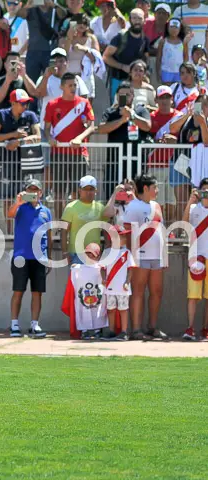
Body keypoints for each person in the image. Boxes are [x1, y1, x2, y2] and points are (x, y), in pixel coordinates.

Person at [122, 174, 169, 340]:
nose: (157, 190)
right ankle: (136, 330)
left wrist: (164, 256)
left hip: (157, 257)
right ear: (145, 188)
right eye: (155, 187)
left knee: (157, 291)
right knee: (138, 292)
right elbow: (128, 233)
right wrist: (132, 257)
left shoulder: (157, 206)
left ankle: (152, 327)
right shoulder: (133, 207)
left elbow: (161, 231)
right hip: (139, 257)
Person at [43, 72, 95, 219]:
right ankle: (60, 223)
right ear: (62, 87)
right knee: (59, 192)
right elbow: (47, 128)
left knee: (76, 192)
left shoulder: (84, 103)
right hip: (59, 153)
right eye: (70, 85)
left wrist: (79, 138)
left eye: (75, 85)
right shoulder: (52, 104)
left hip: (78, 153)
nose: (73, 88)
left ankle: (74, 222)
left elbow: (92, 126)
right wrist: (50, 138)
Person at [0, 89, 41, 235]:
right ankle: (9, 232)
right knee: (7, 198)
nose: (25, 106)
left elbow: (38, 136)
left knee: (29, 196)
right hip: (7, 163)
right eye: (22, 103)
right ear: (13, 103)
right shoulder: (2, 115)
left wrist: (18, 142)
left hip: (27, 164)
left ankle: (27, 230)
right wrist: (13, 135)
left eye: (27, 103)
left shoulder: (30, 115)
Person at [7, 178, 51, 338]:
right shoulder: (20, 207)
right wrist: (17, 202)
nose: (33, 193)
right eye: (30, 190)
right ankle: (14, 324)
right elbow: (9, 214)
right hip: (21, 256)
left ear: (41, 192)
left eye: (36, 190)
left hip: (39, 257)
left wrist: (49, 257)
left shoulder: (46, 211)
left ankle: (34, 325)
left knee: (37, 292)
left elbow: (49, 234)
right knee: (18, 290)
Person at [97, 81, 151, 197]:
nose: (125, 98)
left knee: (138, 195)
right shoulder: (110, 112)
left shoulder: (141, 110)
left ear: (133, 95)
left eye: (128, 95)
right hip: (115, 162)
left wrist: (132, 116)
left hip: (137, 162)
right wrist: (122, 120)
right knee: (113, 195)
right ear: (117, 96)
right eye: (122, 95)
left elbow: (147, 126)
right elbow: (101, 129)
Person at [147, 85, 188, 222]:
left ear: (172, 99)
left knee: (172, 203)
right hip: (156, 164)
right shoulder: (151, 117)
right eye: (161, 98)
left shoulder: (179, 116)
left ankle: (170, 230)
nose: (164, 100)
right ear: (156, 100)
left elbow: (185, 138)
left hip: (175, 165)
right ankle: (159, 229)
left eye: (167, 97)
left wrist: (175, 141)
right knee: (158, 203)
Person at [31, 48, 90, 134]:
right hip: (49, 131)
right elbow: (39, 94)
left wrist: (83, 118)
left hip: (72, 129)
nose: (58, 64)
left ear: (67, 63)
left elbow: (85, 101)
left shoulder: (77, 79)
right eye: (54, 62)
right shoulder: (43, 79)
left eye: (61, 61)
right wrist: (46, 76)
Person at [103, 8, 150, 104]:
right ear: (130, 20)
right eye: (134, 18)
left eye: (139, 18)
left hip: (136, 83)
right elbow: (106, 57)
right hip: (118, 80)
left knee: (134, 106)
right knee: (120, 106)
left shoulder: (145, 40)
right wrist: (122, 66)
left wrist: (145, 74)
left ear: (144, 20)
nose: (137, 21)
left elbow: (145, 59)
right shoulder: (120, 37)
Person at [61, 175, 108, 265]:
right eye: (85, 189)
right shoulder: (71, 207)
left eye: (91, 189)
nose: (88, 192)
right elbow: (63, 231)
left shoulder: (100, 207)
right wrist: (64, 252)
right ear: (79, 190)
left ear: (96, 191)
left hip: (95, 254)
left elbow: (107, 229)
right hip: (76, 254)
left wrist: (107, 248)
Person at [14, 0, 65, 82]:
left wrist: (53, 5)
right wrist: (28, 5)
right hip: (33, 52)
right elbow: (20, 14)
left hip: (51, 52)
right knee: (31, 80)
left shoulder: (54, 10)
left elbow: (63, 14)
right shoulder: (31, 10)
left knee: (52, 79)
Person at [99, 225, 135, 341]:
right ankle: (111, 330)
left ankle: (124, 332)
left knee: (123, 309)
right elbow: (102, 268)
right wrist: (103, 279)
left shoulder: (127, 253)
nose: (124, 238)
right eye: (122, 236)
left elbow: (130, 269)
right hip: (110, 286)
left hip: (122, 287)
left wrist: (127, 282)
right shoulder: (107, 252)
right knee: (111, 309)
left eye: (124, 236)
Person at [183, 179, 208, 340]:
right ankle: (190, 328)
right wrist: (189, 202)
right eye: (204, 190)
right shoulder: (194, 208)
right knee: (193, 295)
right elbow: (184, 223)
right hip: (196, 257)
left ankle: (206, 329)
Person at [62, 14, 101, 101]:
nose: (82, 25)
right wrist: (69, 38)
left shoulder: (91, 38)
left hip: (86, 77)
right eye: (79, 22)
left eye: (85, 23)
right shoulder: (64, 39)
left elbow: (96, 60)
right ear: (73, 23)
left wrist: (84, 49)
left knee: (87, 104)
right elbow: (63, 56)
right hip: (69, 77)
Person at [156, 19, 192, 86]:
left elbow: (185, 57)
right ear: (168, 28)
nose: (174, 29)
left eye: (176, 27)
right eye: (171, 27)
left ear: (180, 29)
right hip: (166, 71)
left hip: (179, 72)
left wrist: (185, 71)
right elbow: (158, 58)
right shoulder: (163, 41)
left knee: (178, 88)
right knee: (167, 89)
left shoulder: (182, 43)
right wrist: (158, 71)